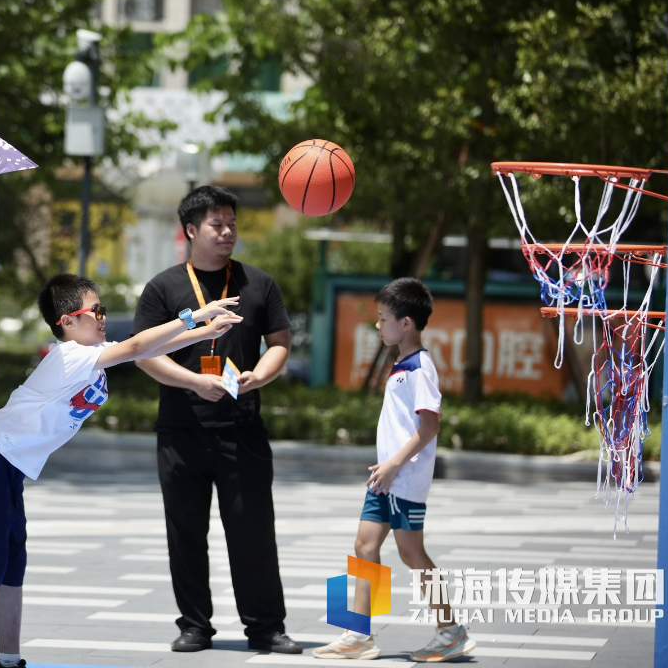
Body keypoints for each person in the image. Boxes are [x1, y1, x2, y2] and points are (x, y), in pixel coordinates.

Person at [0, 273, 242, 668]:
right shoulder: (70, 356)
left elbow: (146, 349)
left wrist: (206, 329)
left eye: (102, 310)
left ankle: (10, 659)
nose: (102, 318)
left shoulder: (93, 355)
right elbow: (139, 344)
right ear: (67, 322)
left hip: (11, 467)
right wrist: (195, 316)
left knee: (11, 568)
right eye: (95, 311)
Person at [131, 185, 300, 654]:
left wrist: (259, 376)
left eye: (232, 224)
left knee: (252, 530)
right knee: (185, 531)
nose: (227, 233)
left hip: (241, 428)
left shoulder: (258, 284)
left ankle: (266, 628)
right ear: (190, 230)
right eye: (216, 224)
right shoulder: (164, 287)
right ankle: (195, 626)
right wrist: (192, 383)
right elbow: (143, 354)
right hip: (181, 429)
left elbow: (281, 342)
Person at [311, 278, 476, 663]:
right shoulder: (402, 364)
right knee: (364, 546)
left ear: (406, 323)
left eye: (383, 319)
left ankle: (451, 631)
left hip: (402, 478)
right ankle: (357, 634)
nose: (377, 325)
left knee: (411, 553)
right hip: (385, 477)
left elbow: (430, 427)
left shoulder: (420, 367)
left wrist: (394, 465)